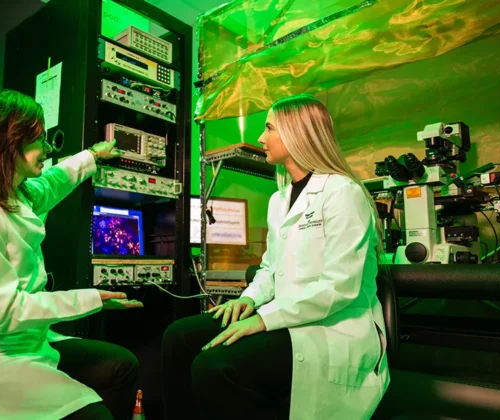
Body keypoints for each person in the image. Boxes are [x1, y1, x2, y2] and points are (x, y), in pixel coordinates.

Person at [162, 94, 389, 419]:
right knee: (178, 337)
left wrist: (264, 319)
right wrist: (249, 299)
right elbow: (270, 268)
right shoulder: (278, 200)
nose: (260, 138)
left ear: (298, 133)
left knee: (214, 367)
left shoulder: (342, 193)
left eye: (269, 128)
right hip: (287, 314)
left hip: (331, 327)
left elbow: (339, 287)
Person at [0, 88, 144, 420]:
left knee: (121, 365)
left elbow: (54, 182)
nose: (48, 149)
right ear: (8, 144)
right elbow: (3, 313)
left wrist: (92, 156)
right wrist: (91, 299)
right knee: (92, 417)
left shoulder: (12, 193)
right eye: (39, 140)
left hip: (22, 340)